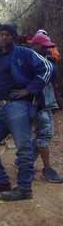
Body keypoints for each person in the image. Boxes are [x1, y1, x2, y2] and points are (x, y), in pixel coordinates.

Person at [0, 24, 53, 201]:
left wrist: (29, 89)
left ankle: (24, 189)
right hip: (0, 108)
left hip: (18, 107)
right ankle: (2, 181)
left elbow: (48, 68)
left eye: (7, 35)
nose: (3, 38)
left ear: (14, 37)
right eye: (1, 35)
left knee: (24, 148)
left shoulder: (23, 53)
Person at [29, 33, 63, 183]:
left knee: (43, 135)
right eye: (44, 47)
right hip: (39, 104)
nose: (47, 50)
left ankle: (25, 161)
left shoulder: (41, 60)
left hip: (44, 104)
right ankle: (47, 169)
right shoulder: (34, 62)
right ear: (35, 46)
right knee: (45, 135)